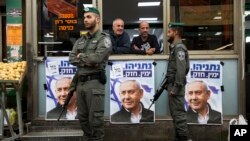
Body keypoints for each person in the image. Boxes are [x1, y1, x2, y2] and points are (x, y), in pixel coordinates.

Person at [69, 7, 112, 141]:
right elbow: (71, 58)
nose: (85, 20)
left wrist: (81, 56)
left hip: (94, 84)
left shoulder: (104, 39)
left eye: (89, 17)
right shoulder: (81, 40)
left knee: (96, 120)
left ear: (97, 19)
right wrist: (88, 60)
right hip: (81, 83)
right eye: (84, 17)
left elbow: (97, 59)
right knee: (82, 118)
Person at [164, 22, 192, 141]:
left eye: (169, 32)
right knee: (176, 116)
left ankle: (186, 138)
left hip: (176, 87)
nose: (167, 34)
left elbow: (181, 71)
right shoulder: (175, 48)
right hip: (173, 85)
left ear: (175, 32)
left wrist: (176, 87)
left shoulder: (179, 48)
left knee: (179, 116)